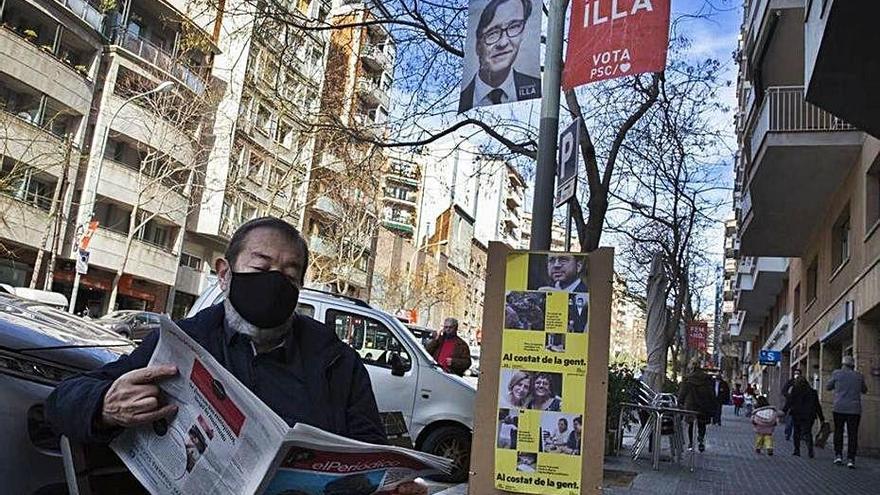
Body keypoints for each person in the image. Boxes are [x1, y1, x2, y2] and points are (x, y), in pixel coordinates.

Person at [45, 217, 427, 495]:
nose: (275, 281)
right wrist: (103, 405)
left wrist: (392, 486)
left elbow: (374, 458)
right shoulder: (185, 343)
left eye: (290, 276)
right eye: (261, 267)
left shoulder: (336, 361)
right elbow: (60, 402)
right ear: (224, 274)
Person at [458, 0, 541, 112]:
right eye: (492, 33)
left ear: (523, 33)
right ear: (478, 45)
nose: (503, 43)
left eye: (513, 27)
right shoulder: (466, 98)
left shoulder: (535, 86)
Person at [826, 355, 868, 468]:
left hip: (839, 407)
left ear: (843, 364)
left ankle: (838, 456)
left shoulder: (837, 373)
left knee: (838, 432)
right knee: (852, 434)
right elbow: (864, 390)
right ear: (853, 365)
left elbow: (828, 387)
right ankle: (851, 459)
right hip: (854, 409)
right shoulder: (859, 376)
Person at [678, 359, 716, 452]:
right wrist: (712, 404)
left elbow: (683, 392)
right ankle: (701, 440)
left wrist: (680, 401)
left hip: (691, 404)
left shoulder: (688, 378)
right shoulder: (707, 378)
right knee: (702, 424)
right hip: (703, 404)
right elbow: (711, 393)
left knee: (691, 425)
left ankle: (691, 443)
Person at [783, 376, 825, 458]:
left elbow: (789, 402)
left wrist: (784, 411)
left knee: (796, 432)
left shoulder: (795, 391)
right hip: (809, 416)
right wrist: (821, 418)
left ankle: (797, 450)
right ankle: (810, 451)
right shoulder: (813, 392)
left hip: (797, 414)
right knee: (808, 433)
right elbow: (817, 406)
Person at [782, 368, 802, 440]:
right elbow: (784, 391)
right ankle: (788, 433)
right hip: (791, 405)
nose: (796, 375)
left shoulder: (803, 382)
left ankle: (798, 436)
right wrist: (789, 396)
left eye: (798, 374)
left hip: (800, 406)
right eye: (795, 373)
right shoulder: (790, 382)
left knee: (798, 423)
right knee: (789, 422)